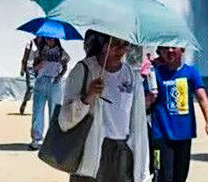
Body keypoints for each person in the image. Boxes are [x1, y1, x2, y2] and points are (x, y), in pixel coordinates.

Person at [57, 31, 148, 182]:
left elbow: (139, 124)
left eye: (125, 44)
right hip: (90, 154)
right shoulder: (83, 70)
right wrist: (88, 97)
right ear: (102, 44)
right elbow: (64, 121)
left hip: (122, 154)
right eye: (115, 44)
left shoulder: (132, 77)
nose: (121, 49)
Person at [150, 46, 208, 182]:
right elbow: (144, 101)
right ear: (160, 51)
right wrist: (149, 98)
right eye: (166, 48)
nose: (170, 51)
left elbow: (202, 97)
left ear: (182, 50)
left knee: (180, 176)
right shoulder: (155, 73)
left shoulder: (190, 72)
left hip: (184, 134)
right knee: (161, 176)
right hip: (160, 135)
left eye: (174, 47)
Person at [30, 36, 69, 149]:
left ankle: (53, 139)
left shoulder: (61, 52)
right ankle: (36, 138)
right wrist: (39, 65)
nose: (49, 40)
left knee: (54, 112)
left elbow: (65, 67)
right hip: (41, 81)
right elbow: (34, 67)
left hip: (54, 82)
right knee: (38, 111)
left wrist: (60, 76)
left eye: (52, 38)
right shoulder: (40, 51)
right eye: (47, 38)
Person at [18, 37, 37, 115]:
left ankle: (37, 108)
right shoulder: (31, 43)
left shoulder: (44, 44)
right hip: (29, 67)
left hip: (39, 69)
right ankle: (25, 102)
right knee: (31, 87)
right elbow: (25, 56)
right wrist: (22, 68)